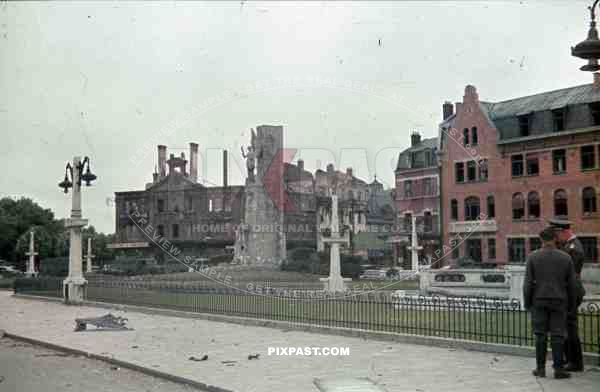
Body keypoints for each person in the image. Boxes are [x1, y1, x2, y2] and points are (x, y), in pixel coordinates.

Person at [523, 227, 577, 379]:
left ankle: (540, 369)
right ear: (555, 238)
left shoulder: (533, 257)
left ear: (541, 240)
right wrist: (572, 306)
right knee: (558, 335)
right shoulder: (565, 258)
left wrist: (527, 303)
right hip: (559, 301)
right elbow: (572, 285)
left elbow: (527, 284)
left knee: (540, 335)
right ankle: (558, 369)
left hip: (538, 300)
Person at [549, 218, 586, 372]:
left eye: (556, 234)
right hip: (566, 291)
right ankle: (567, 359)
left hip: (571, 292)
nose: (555, 238)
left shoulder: (574, 248)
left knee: (570, 327)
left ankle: (576, 363)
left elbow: (570, 276)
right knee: (564, 327)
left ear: (563, 231)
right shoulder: (567, 246)